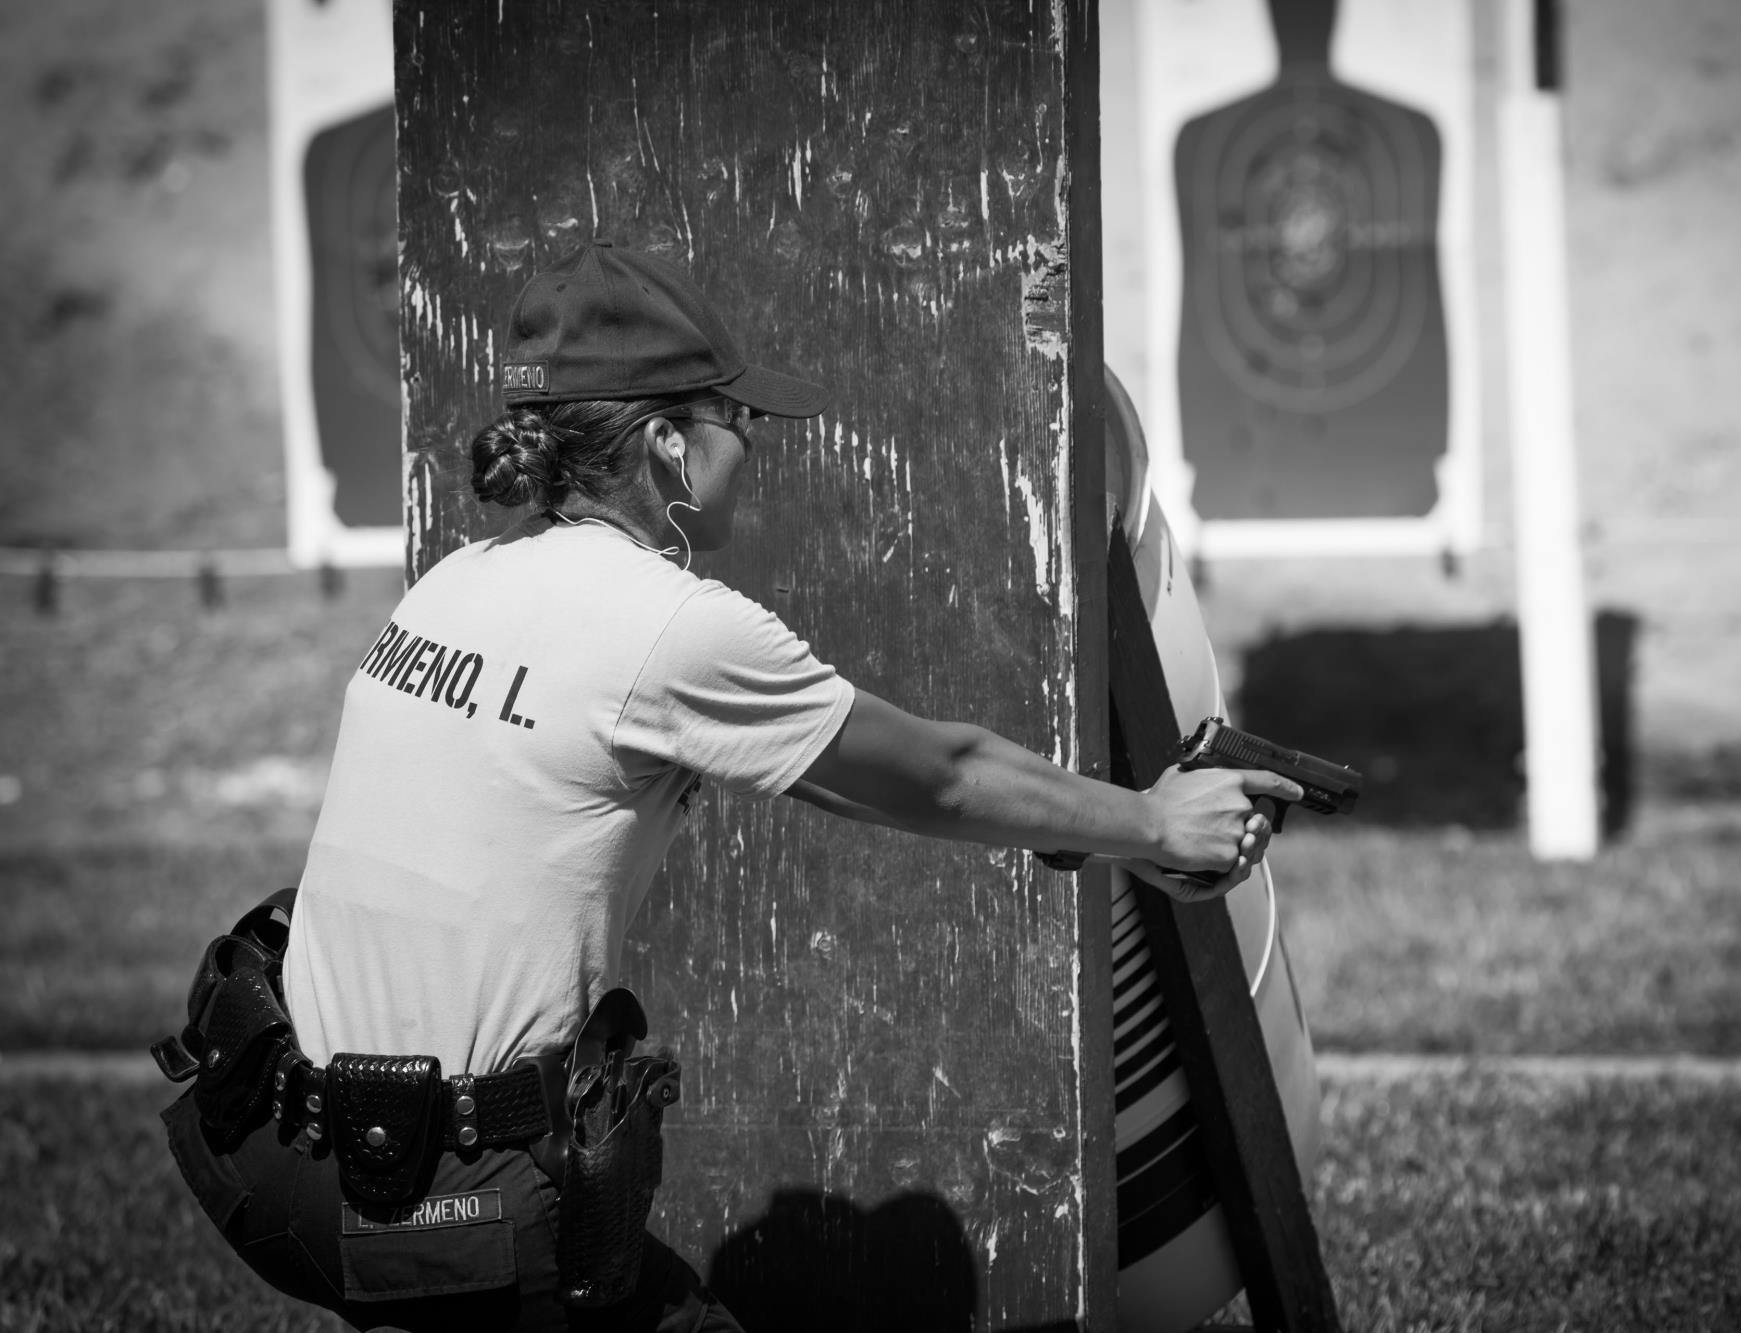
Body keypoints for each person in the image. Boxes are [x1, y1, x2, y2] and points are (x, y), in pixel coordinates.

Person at [160, 239, 1298, 1331]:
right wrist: (1152, 820)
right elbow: (943, 778)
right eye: (736, 419)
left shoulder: (453, 581)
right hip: (435, 1200)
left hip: (267, 1148)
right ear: (665, 444)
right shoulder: (663, 625)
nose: (751, 442)